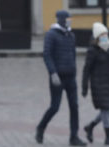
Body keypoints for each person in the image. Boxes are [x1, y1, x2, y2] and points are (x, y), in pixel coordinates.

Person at [35, 9, 87, 146]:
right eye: (68, 19)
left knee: (74, 106)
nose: (70, 21)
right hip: (58, 77)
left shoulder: (71, 35)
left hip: (70, 77)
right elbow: (47, 55)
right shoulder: (51, 35)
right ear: (61, 19)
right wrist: (53, 73)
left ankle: (74, 136)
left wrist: (74, 70)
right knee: (55, 106)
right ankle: (41, 127)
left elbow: (73, 54)